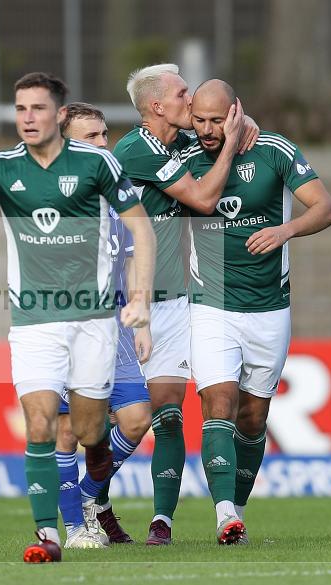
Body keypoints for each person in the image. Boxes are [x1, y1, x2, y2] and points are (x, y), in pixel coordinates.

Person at [0, 73, 156, 562]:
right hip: (34, 319)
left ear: (58, 113)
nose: (28, 117)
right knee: (42, 423)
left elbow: (140, 229)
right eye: (20, 109)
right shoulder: (0, 167)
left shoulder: (97, 163)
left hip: (94, 320)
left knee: (92, 432)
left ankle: (90, 498)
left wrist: (140, 298)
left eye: (37, 108)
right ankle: (51, 533)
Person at [183, 79, 331, 544]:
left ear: (235, 112)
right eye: (199, 120)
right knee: (219, 403)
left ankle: (239, 512)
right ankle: (224, 514)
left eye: (217, 120)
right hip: (211, 304)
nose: (207, 129)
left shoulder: (272, 149)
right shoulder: (183, 157)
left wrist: (285, 230)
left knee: (252, 419)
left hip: (270, 306)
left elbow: (326, 208)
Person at [112, 63, 256, 545]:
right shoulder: (138, 149)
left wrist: (242, 124)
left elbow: (215, 132)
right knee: (156, 414)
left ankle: (196, 517)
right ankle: (100, 503)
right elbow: (202, 198)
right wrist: (233, 141)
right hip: (140, 301)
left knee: (201, 405)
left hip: (184, 298)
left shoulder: (177, 143)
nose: (190, 100)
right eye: (181, 93)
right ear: (158, 106)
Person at [54, 103, 152, 547]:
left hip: (113, 327)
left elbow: (132, 261)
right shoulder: (49, 200)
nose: (101, 144)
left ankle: (91, 495)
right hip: (65, 329)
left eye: (103, 135)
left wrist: (140, 316)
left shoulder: (119, 198)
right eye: (89, 137)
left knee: (136, 419)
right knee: (69, 432)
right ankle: (76, 528)